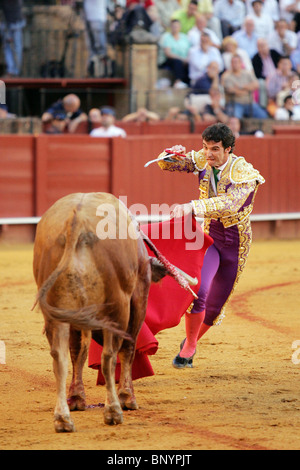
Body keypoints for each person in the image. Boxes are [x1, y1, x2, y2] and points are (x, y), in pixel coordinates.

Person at [156, 123, 265, 368]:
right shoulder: (202, 159)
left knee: (215, 307)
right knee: (199, 293)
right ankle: (190, 346)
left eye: (214, 149)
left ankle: (191, 340)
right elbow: (166, 164)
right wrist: (170, 154)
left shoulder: (244, 172)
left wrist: (192, 207)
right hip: (211, 237)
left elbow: (231, 204)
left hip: (236, 242)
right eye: (205, 147)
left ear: (228, 150)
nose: (208, 154)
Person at [222, 54, 269, 118]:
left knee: (263, 116)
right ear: (231, 64)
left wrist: (241, 86)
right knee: (235, 118)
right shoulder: (227, 76)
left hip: (250, 103)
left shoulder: (248, 73)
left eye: (237, 62)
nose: (235, 64)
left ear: (241, 63)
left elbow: (256, 85)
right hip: (235, 103)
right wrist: (248, 90)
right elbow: (232, 91)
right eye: (233, 62)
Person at [159, 19, 191, 87]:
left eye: (177, 26)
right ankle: (178, 81)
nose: (175, 28)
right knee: (177, 62)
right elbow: (168, 53)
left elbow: (189, 50)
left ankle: (189, 83)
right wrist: (181, 59)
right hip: (171, 60)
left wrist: (187, 59)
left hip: (184, 59)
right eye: (174, 26)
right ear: (171, 27)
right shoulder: (167, 37)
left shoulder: (184, 37)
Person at [0, 0, 25, 77]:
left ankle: (13, 70)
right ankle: (15, 70)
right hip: (15, 22)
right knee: (16, 47)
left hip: (9, 24)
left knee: (10, 48)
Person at [84, 0, 108, 76]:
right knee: (91, 47)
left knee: (100, 47)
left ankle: (102, 71)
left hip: (97, 16)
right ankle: (93, 70)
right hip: (87, 15)